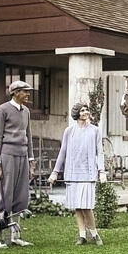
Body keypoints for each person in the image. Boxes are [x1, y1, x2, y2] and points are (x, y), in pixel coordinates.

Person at [48, 103, 107, 245]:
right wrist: (55, 172)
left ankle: (94, 233)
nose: (86, 112)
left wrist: (102, 171)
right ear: (76, 113)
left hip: (88, 173)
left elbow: (100, 152)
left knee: (87, 206)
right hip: (72, 173)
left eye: (87, 110)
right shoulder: (69, 131)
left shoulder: (95, 131)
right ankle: (82, 235)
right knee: (78, 206)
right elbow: (63, 152)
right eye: (82, 110)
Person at [0, 80, 36, 248]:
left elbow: (28, 137)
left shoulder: (26, 111)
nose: (28, 94)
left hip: (22, 156)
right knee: (4, 195)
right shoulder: (2, 110)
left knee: (21, 196)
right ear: (15, 93)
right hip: (7, 156)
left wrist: (31, 162)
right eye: (25, 91)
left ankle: (15, 236)